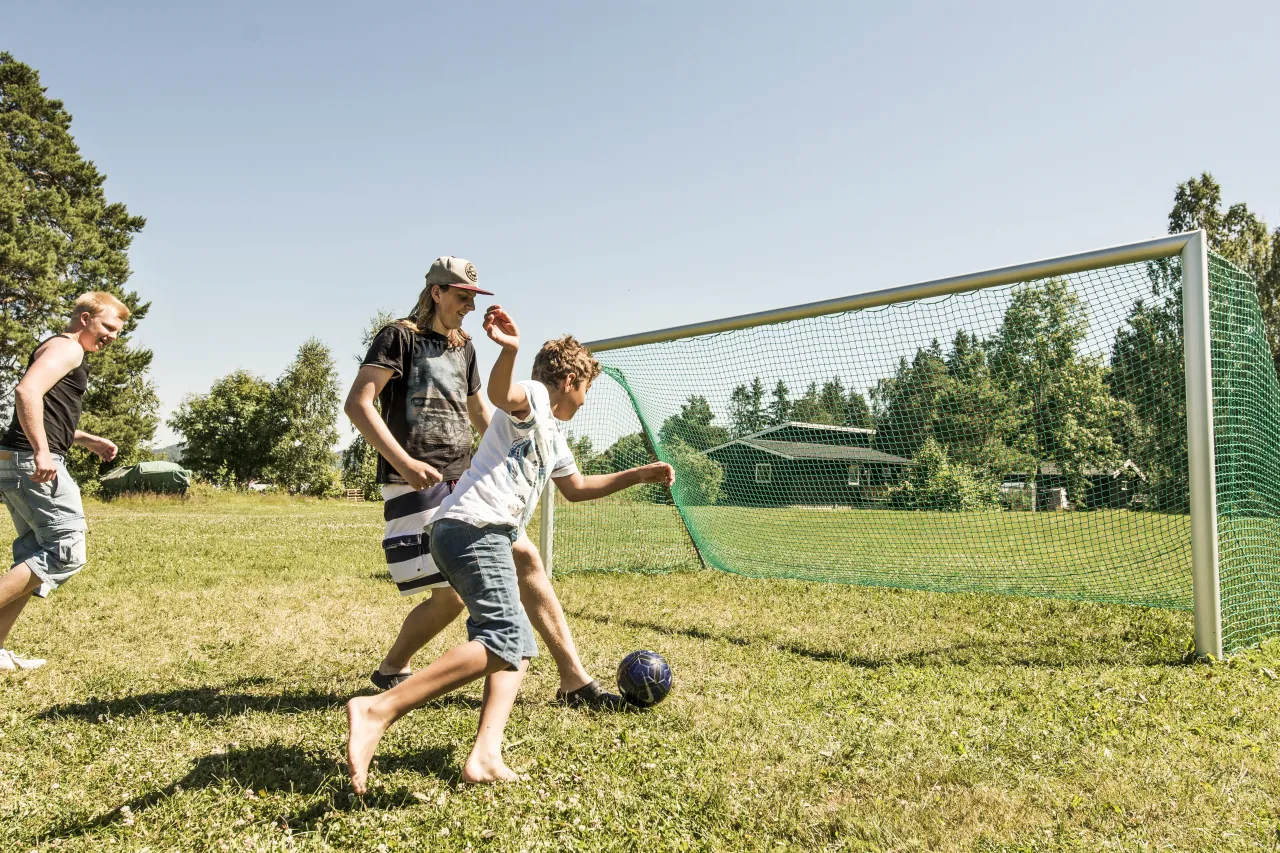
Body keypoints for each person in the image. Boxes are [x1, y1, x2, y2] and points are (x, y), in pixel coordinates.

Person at [346, 308, 674, 789]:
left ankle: (485, 756)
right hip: (472, 527)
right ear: (568, 381)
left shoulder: (555, 435)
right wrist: (510, 350)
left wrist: (638, 474)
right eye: (586, 390)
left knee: (517, 644)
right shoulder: (537, 398)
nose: (585, 402)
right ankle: (378, 709)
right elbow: (502, 394)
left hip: (487, 531)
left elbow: (576, 487)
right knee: (501, 636)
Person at [347, 257, 627, 710]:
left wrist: (511, 454)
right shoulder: (399, 337)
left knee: (514, 567)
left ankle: (572, 679)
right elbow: (358, 404)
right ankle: (398, 674)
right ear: (436, 292)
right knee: (458, 594)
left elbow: (483, 416)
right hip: (416, 477)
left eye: (474, 299)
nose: (469, 308)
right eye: (462, 297)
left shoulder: (466, 348)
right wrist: (404, 461)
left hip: (462, 481)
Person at [0, 292, 125, 673]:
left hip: (15, 460)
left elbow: (47, 412)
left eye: (118, 332)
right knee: (65, 550)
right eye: (107, 327)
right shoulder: (68, 348)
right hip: (32, 462)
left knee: (33, 554)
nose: (112, 337)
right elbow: (27, 392)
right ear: (85, 318)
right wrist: (42, 451)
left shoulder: (60, 348)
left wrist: (85, 438)